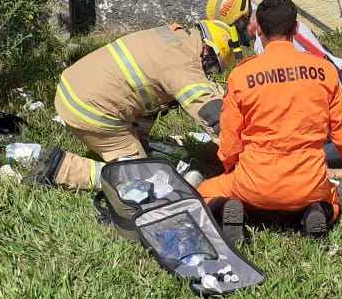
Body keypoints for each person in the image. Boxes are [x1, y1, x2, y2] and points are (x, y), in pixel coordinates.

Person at [198, 0, 342, 243]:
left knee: (205, 192)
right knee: (332, 198)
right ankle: (317, 211)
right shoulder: (324, 71)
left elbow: (230, 142)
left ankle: (228, 207)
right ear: (296, 28)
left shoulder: (241, 74)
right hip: (308, 182)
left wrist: (232, 169)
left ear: (260, 32)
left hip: (254, 183)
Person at [31, 20, 242, 190]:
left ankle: (136, 144)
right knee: (140, 177)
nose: (210, 73)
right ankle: (61, 168)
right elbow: (213, 114)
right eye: (213, 67)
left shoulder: (173, 35)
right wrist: (244, 151)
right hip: (88, 109)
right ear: (207, 52)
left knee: (151, 111)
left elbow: (147, 93)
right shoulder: (182, 66)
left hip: (74, 86)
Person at [208, 0, 342, 107]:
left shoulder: (266, 40)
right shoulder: (276, 20)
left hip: (336, 86)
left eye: (235, 31)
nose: (238, 40)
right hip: (338, 78)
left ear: (241, 21)